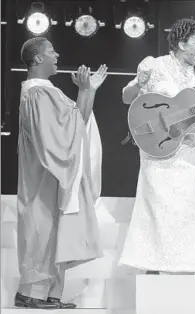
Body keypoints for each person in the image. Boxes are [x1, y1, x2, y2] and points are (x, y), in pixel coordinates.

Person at [119, 18, 195, 274]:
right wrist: (140, 80)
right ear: (180, 42)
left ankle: (191, 263)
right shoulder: (154, 65)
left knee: (187, 205)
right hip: (158, 145)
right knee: (155, 203)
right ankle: (151, 264)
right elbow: (126, 98)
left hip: (187, 147)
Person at [15, 37, 107, 309]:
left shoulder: (46, 92)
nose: (57, 55)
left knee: (56, 228)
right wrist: (85, 93)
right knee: (42, 227)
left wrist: (88, 91)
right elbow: (58, 140)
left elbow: (75, 124)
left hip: (52, 177)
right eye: (51, 51)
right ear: (38, 58)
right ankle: (32, 293)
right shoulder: (38, 93)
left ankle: (50, 293)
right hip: (45, 177)